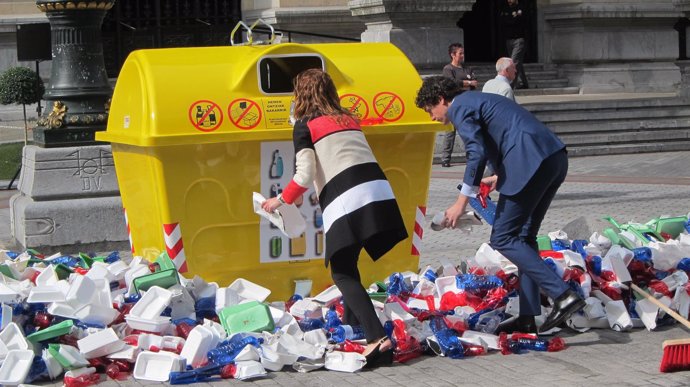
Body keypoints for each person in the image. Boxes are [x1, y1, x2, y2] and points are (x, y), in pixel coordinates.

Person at [414, 76, 586, 334]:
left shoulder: (460, 105)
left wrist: (462, 201)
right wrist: (497, 176)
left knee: (503, 237)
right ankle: (528, 318)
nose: (432, 117)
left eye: (430, 110)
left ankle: (563, 295)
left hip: (530, 162)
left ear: (440, 99)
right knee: (524, 237)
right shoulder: (479, 99)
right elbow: (504, 134)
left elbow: (476, 152)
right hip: (552, 158)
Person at [262, 68, 407, 366]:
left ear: (300, 94)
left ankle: (378, 340)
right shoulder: (348, 118)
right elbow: (329, 161)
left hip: (348, 195)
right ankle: (353, 326)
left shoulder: (304, 125)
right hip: (377, 190)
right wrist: (296, 194)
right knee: (348, 260)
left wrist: (279, 200)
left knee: (340, 270)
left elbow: (305, 174)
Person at [440, 43, 477, 168]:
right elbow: (450, 84)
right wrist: (467, 82)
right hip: (453, 103)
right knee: (450, 132)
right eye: (460, 53)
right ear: (452, 55)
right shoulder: (448, 69)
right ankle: (445, 158)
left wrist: (463, 84)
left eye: (463, 53)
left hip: (467, 104)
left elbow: (475, 84)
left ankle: (470, 156)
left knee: (467, 131)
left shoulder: (468, 68)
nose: (462, 56)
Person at [500, 0, 529, 89]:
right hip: (509, 40)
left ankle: (510, 85)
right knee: (517, 62)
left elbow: (517, 21)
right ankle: (524, 83)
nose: (509, 1)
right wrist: (512, 18)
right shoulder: (505, 9)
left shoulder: (521, 7)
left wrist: (511, 19)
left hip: (519, 40)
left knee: (513, 62)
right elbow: (504, 21)